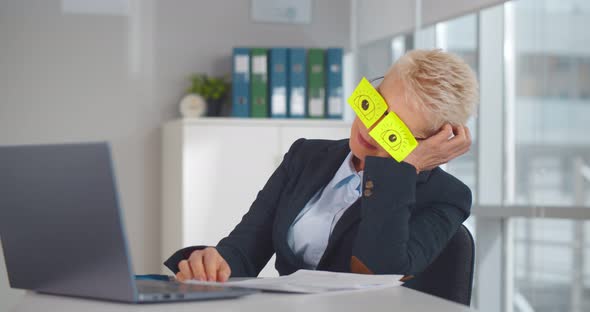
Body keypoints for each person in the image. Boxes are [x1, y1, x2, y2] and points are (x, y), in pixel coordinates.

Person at [165, 49, 479, 284]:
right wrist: (214, 264)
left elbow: (377, 275)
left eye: (392, 131)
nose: (368, 131)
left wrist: (404, 169)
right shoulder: (305, 157)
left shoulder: (447, 196)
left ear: (432, 143)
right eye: (374, 106)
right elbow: (245, 250)